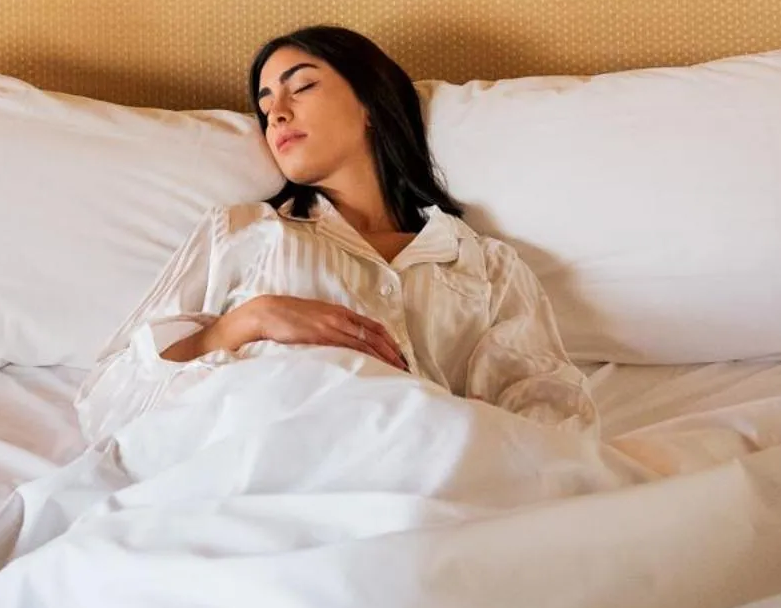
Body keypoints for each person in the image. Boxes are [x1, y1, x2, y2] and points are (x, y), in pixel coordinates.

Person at [75, 25, 597, 444]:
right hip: (255, 464)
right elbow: (107, 404)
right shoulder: (244, 233)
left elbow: (550, 412)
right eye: (265, 105)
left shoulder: (483, 265)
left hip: (419, 475)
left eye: (301, 86)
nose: (276, 112)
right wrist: (246, 322)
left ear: (371, 102)